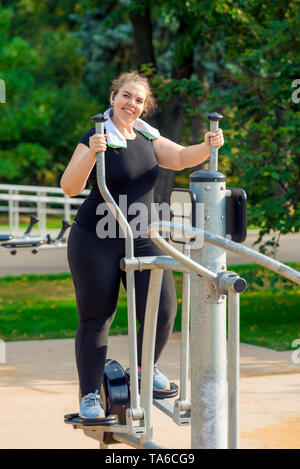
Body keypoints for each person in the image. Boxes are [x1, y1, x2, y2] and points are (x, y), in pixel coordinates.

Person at [60, 72, 224, 420]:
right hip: (95, 238)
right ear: (113, 96)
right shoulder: (97, 134)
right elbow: (69, 186)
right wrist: (92, 153)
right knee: (96, 317)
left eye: (138, 100)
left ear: (143, 107)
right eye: (125, 96)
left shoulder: (147, 135)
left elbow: (180, 158)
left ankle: (143, 370)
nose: (130, 104)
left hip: (142, 235)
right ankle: (90, 396)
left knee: (163, 310)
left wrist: (208, 145)